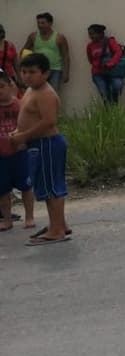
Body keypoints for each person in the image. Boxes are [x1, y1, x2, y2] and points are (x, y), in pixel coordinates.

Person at [11, 53, 70, 246]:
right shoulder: (31, 90)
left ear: (45, 74)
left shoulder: (46, 93)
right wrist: (18, 132)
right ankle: (59, 224)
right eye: (24, 71)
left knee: (52, 188)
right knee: (45, 186)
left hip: (48, 144)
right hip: (37, 145)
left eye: (32, 72)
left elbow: (48, 122)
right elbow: (30, 117)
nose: (27, 75)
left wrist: (24, 136)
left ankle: (57, 230)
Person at [0, 72, 35, 232]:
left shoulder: (20, 105)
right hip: (1, 156)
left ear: (10, 86)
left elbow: (29, 126)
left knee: (26, 187)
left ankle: (29, 216)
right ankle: (7, 219)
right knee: (3, 190)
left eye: (1, 86)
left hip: (19, 154)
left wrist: (25, 141)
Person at [22, 12, 70, 91]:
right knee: (36, 91)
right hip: (38, 69)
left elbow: (65, 56)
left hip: (55, 69)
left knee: (53, 92)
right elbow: (25, 50)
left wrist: (66, 73)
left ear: (50, 23)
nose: (40, 25)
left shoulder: (59, 37)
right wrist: (25, 67)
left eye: (43, 23)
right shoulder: (33, 36)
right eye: (38, 23)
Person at [85, 24, 125, 104]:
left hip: (112, 72)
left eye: (93, 34)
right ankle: (107, 112)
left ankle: (114, 107)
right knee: (104, 94)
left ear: (100, 34)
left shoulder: (110, 41)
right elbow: (90, 59)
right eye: (89, 34)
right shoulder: (90, 46)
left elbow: (118, 52)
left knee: (117, 85)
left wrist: (110, 64)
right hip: (98, 74)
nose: (90, 36)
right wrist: (97, 65)